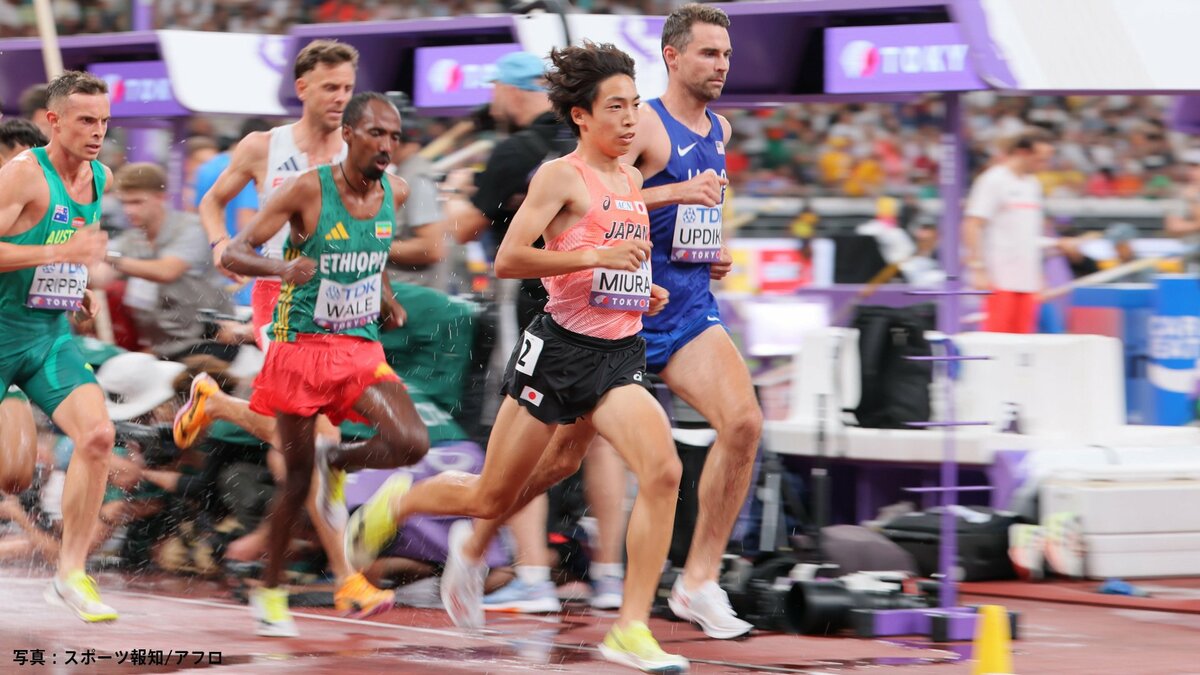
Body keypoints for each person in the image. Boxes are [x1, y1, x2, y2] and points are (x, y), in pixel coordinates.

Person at [346, 43, 687, 673]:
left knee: (659, 471)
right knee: (490, 495)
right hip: (557, 353)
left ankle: (631, 628)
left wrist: (644, 288)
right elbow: (510, 259)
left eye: (636, 105)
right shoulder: (560, 175)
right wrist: (591, 259)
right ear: (582, 116)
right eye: (617, 106)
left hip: (618, 354)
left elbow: (618, 266)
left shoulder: (632, 178)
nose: (632, 118)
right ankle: (402, 503)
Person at [453, 3, 762, 641]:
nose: (721, 65)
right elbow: (610, 197)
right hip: (613, 315)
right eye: (708, 53)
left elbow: (682, 215)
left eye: (726, 54)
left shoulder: (720, 130)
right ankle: (477, 538)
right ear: (673, 57)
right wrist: (673, 195)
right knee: (559, 462)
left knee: (743, 423)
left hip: (685, 307)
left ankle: (699, 581)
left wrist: (708, 250)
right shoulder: (641, 120)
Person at [188, 38, 399, 617]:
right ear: (302, 87)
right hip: (278, 298)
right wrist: (218, 243)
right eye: (330, 87)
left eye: (348, 88)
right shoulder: (265, 146)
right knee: (322, 443)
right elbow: (212, 201)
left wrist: (382, 290)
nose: (341, 99)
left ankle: (217, 403)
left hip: (340, 311)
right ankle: (346, 578)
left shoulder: (364, 149)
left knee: (308, 446)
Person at [221, 91, 430, 637]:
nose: (387, 145)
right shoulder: (308, 189)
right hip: (300, 349)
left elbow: (375, 249)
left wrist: (385, 294)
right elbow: (233, 253)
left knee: (411, 443)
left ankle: (337, 459)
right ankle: (270, 589)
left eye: (394, 135)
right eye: (376, 134)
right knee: (293, 487)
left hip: (358, 348)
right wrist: (279, 268)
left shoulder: (396, 191)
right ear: (351, 135)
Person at [446, 50, 632, 614]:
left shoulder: (516, 155)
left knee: (524, 448)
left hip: (541, 313)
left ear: (514, 89)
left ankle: (530, 570)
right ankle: (607, 574)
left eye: (497, 87)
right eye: (618, 105)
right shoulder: (592, 156)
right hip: (597, 313)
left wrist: (454, 195)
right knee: (592, 445)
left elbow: (461, 234)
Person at [0, 71, 117, 622]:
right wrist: (56, 254)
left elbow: (67, 252)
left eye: (103, 121)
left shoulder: (102, 178)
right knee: (15, 475)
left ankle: (71, 574)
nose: (97, 132)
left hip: (48, 337)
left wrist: (81, 290)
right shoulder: (23, 176)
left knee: (98, 436)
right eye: (85, 121)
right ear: (53, 121)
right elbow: (48, 246)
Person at [91, 163, 235, 361]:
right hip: (164, 349)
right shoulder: (131, 239)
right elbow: (100, 277)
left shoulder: (191, 228)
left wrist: (105, 256)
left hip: (211, 343)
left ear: (161, 198)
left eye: (137, 202)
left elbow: (167, 271)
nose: (129, 210)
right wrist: (71, 256)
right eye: (124, 203)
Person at [963, 131, 1055, 333]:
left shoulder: (1033, 185)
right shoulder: (993, 180)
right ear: (1022, 153)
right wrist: (977, 268)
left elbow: (1028, 233)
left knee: (1022, 343)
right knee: (997, 339)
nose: (1044, 166)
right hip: (999, 278)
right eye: (1040, 160)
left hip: (1027, 280)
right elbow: (972, 223)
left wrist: (1038, 273)